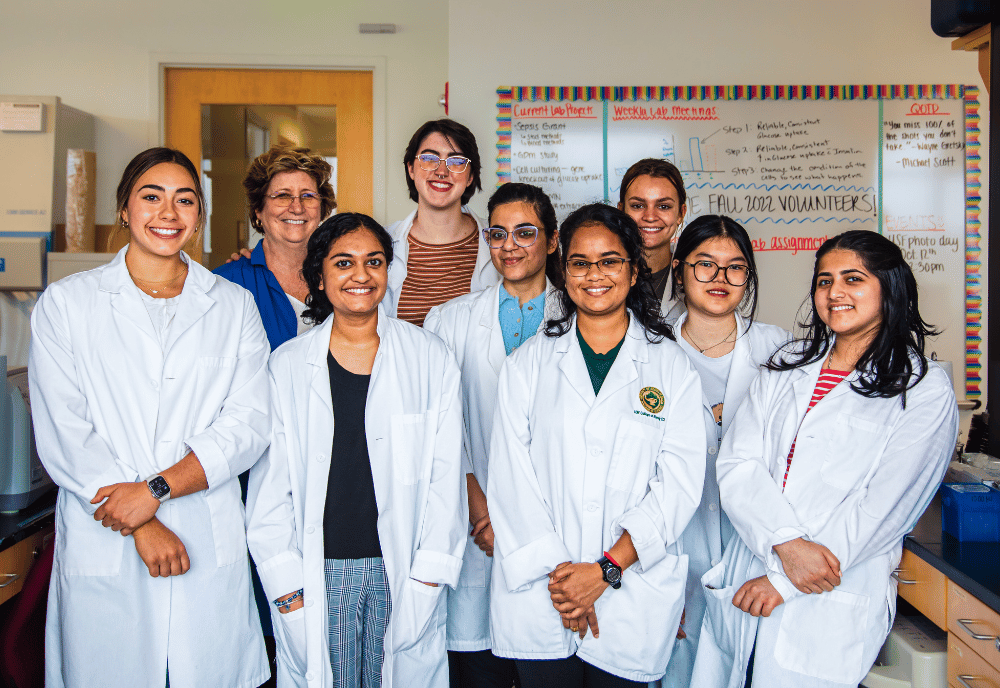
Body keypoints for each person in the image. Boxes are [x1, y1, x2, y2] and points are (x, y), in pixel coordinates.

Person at [29, 147, 271, 688]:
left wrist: (154, 491)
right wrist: (140, 518)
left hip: (202, 537)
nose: (168, 212)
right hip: (107, 534)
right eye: (151, 196)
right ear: (124, 209)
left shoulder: (231, 306)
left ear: (199, 215)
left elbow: (250, 423)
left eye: (185, 199)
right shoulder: (69, 305)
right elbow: (65, 431)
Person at [690, 230, 959, 688]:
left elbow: (886, 507)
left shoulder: (924, 388)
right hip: (752, 566)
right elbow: (739, 464)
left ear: (888, 288)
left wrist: (786, 580)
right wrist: (787, 545)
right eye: (824, 281)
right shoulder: (789, 363)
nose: (835, 293)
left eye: (853, 279)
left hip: (828, 590)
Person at [486, 203, 706, 687]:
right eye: (580, 262)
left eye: (609, 261)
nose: (594, 275)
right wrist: (569, 585)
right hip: (546, 594)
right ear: (563, 273)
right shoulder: (528, 365)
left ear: (633, 271)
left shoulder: (670, 368)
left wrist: (604, 572)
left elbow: (679, 486)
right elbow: (510, 482)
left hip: (627, 594)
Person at [246, 213, 467, 688]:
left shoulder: (430, 358)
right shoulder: (286, 366)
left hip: (402, 570)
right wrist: (287, 590)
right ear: (320, 276)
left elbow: (446, 481)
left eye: (374, 261)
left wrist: (428, 577)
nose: (361, 275)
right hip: (318, 570)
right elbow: (269, 494)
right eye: (343, 263)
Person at [424, 182, 561, 688]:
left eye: (526, 232)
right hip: (471, 525)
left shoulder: (582, 317)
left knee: (544, 663)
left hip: (554, 529)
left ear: (550, 240)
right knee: (478, 665)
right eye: (497, 233)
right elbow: (439, 426)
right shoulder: (448, 320)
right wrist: (478, 505)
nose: (510, 245)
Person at [659, 216, 789, 688]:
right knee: (675, 668)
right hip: (673, 547)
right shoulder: (650, 348)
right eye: (705, 265)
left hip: (752, 550)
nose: (720, 279)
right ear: (678, 271)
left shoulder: (779, 350)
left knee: (748, 670)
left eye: (735, 268)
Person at [215, 145, 337, 349]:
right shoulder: (226, 284)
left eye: (308, 196)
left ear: (322, 208)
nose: (297, 208)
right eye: (282, 196)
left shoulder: (342, 275)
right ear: (258, 210)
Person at [386, 119, 500, 326]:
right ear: (411, 168)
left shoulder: (500, 242)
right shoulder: (384, 243)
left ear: (470, 176)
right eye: (430, 158)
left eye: (456, 162)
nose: (441, 172)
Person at [617, 159, 687, 324]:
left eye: (663, 207)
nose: (649, 217)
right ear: (621, 211)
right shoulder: (600, 274)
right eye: (638, 206)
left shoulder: (696, 273)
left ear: (680, 214)